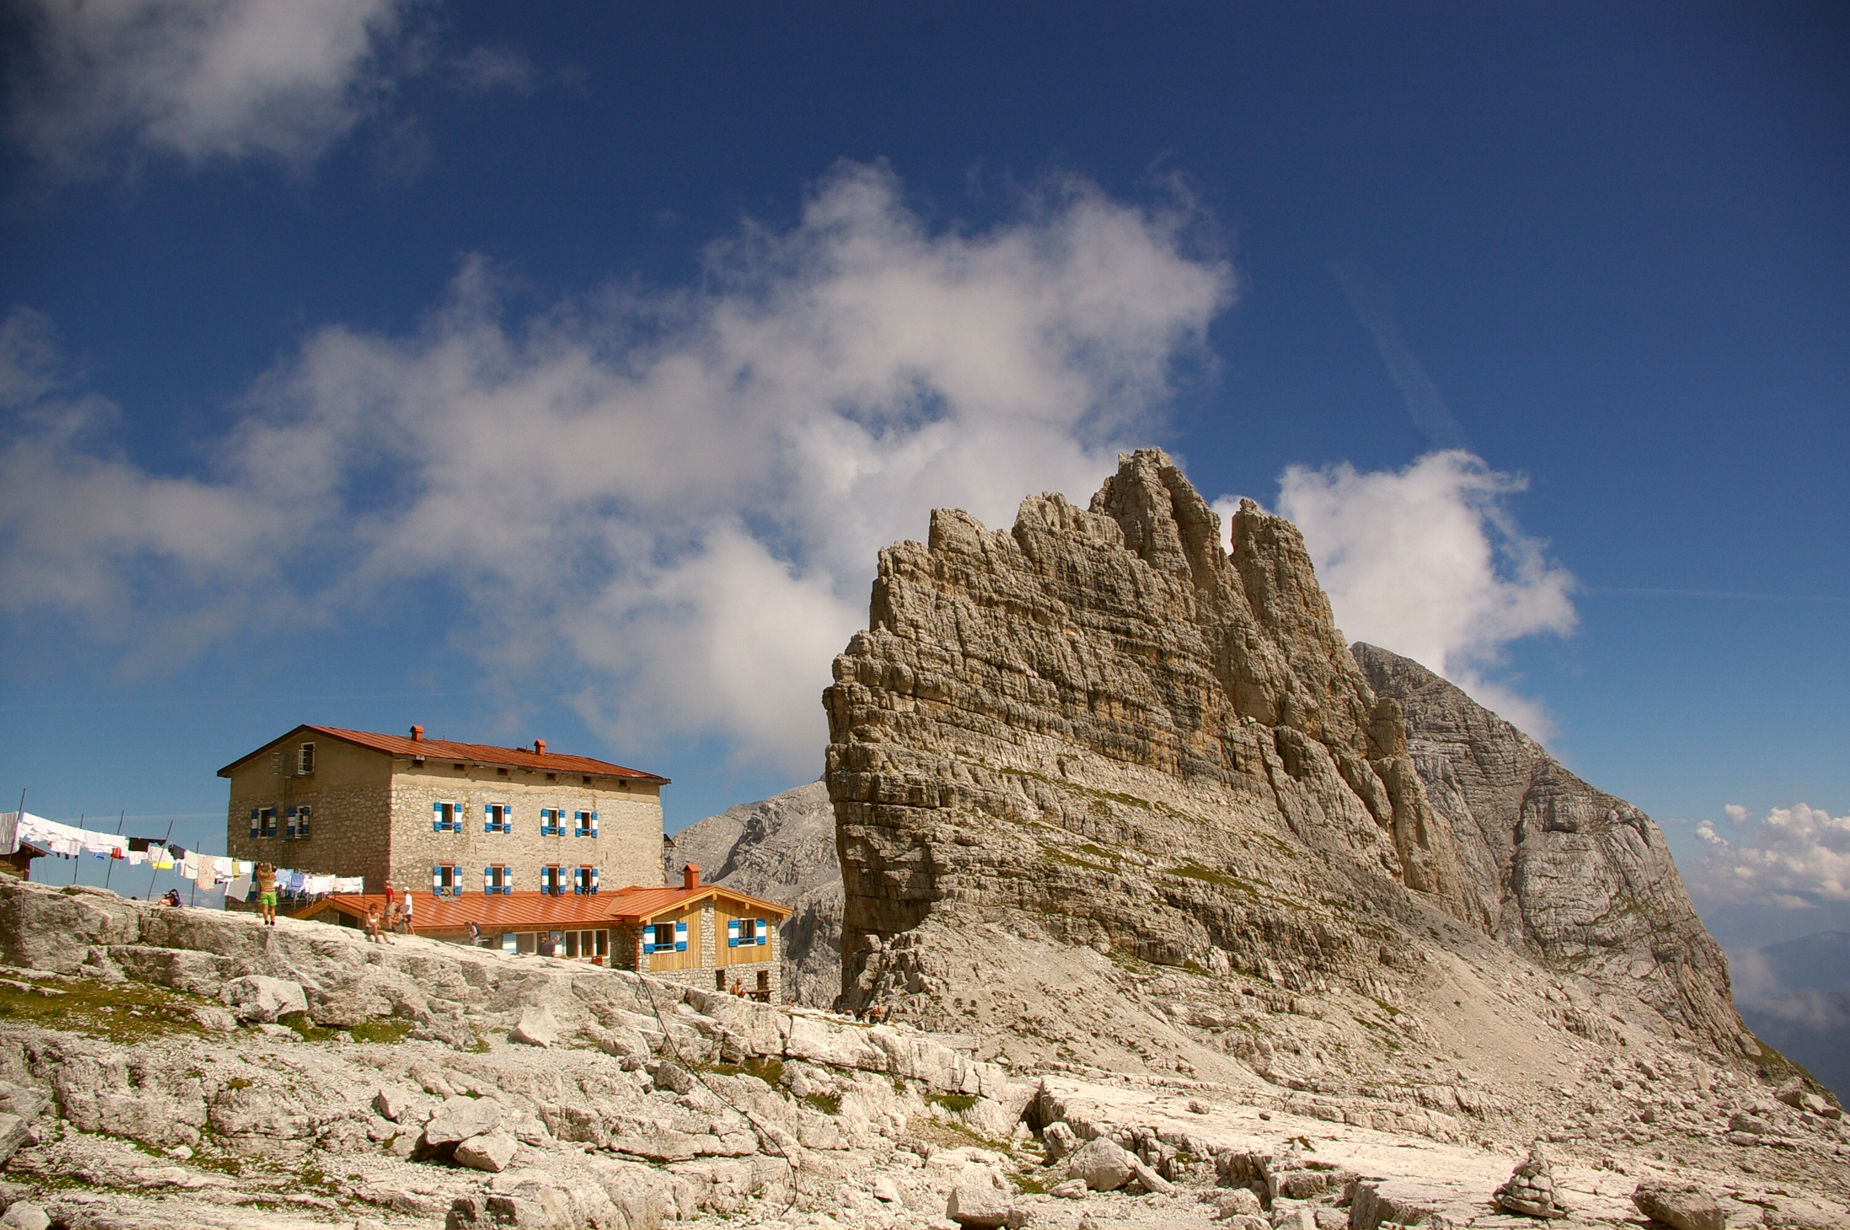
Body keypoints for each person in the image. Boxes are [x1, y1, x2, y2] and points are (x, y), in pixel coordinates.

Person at [253, 862, 277, 926]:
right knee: (272, 908)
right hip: (272, 892)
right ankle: (272, 921)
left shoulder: (261, 875)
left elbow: (257, 872)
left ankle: (266, 920)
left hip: (264, 892)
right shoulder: (272, 875)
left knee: (265, 908)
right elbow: (274, 873)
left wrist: (259, 867)